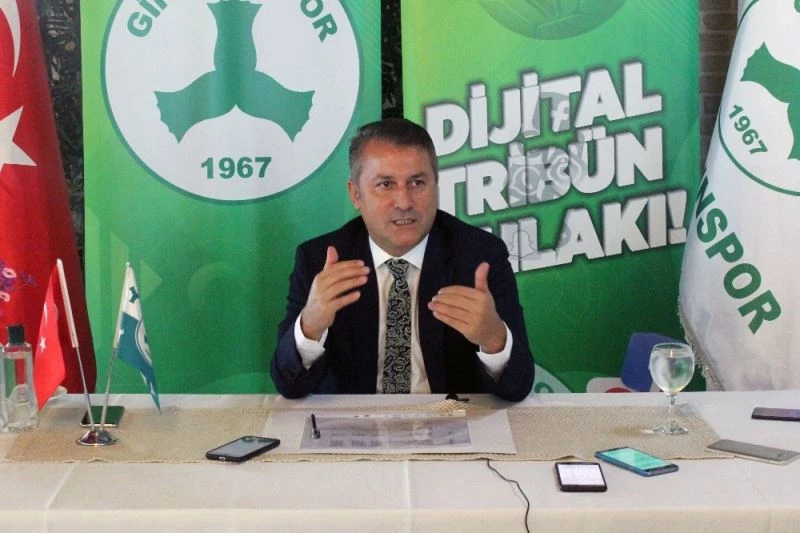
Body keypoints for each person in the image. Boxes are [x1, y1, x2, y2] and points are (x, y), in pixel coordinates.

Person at [271, 118, 534, 401]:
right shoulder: (319, 261)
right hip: (354, 423)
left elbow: (518, 387)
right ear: (356, 194)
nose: (404, 202)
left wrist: (494, 339)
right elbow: (288, 386)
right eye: (385, 184)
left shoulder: (480, 256)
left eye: (417, 183)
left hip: (450, 419)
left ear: (436, 185)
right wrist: (310, 327)